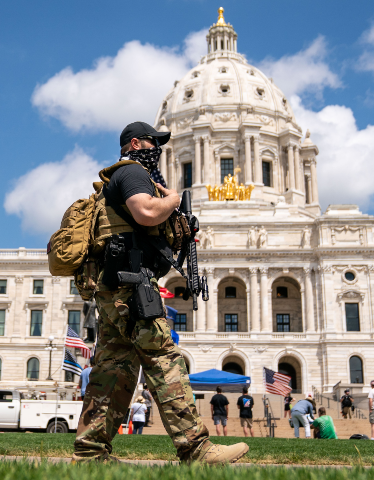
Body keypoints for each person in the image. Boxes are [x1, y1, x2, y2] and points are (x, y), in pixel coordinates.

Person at [73, 122, 248, 464]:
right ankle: (196, 449)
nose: (159, 149)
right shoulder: (134, 174)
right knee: (166, 361)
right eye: (154, 142)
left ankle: (91, 451)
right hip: (131, 287)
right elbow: (147, 212)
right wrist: (173, 199)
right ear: (136, 143)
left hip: (115, 287)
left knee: (113, 370)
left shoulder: (119, 179)